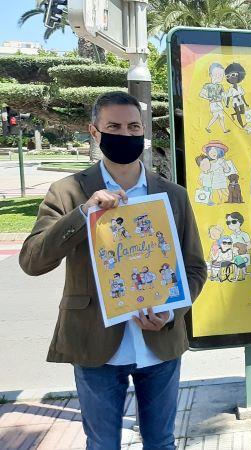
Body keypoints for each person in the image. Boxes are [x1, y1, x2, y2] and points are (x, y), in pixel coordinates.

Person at [19, 91, 207, 450]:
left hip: (161, 345)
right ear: (95, 132)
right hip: (95, 345)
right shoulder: (68, 192)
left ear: (143, 130)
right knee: (102, 444)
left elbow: (195, 268)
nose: (125, 134)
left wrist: (171, 312)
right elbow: (32, 261)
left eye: (133, 126)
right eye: (114, 127)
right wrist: (83, 213)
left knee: (161, 442)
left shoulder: (173, 195)